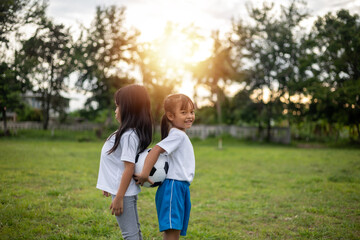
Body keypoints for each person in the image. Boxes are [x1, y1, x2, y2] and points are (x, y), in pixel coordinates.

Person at [134, 94, 195, 240]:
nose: (189, 116)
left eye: (191, 112)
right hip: (173, 187)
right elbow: (156, 150)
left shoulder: (178, 134)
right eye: (183, 112)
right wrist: (144, 173)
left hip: (181, 187)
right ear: (170, 116)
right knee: (172, 231)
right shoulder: (177, 135)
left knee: (176, 230)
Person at [96, 84, 152, 240]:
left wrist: (119, 197)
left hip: (123, 192)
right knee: (134, 232)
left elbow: (129, 168)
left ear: (128, 108)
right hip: (124, 190)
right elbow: (115, 163)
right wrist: (108, 185)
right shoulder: (129, 133)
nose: (115, 110)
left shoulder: (128, 135)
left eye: (118, 106)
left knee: (130, 235)